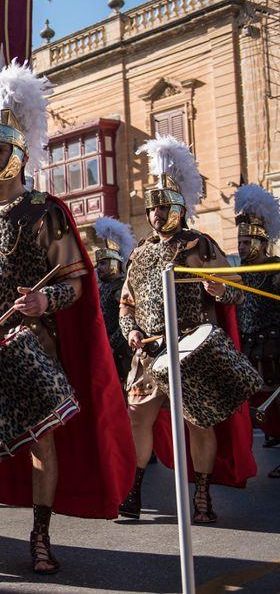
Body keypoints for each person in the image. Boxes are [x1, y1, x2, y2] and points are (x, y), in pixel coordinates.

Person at [0, 63, 134, 576]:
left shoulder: (45, 211)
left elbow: (75, 282)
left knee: (40, 438)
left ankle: (40, 538)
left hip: (31, 343)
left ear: (18, 155)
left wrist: (43, 303)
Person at [118, 135, 256, 523]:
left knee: (198, 420)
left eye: (163, 206)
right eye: (151, 208)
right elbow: (126, 302)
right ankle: (134, 487)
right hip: (148, 351)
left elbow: (235, 294)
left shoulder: (201, 244)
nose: (157, 214)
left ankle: (202, 494)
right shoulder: (141, 251)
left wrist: (220, 289)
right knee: (138, 417)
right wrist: (129, 329)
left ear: (178, 207)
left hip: (192, 349)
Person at [231, 184, 280, 471]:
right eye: (240, 243)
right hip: (249, 343)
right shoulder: (239, 272)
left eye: (247, 243)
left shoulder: (276, 268)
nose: (241, 248)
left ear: (261, 242)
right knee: (259, 398)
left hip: (274, 343)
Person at [93, 217, 136, 388]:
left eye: (103, 263)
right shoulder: (101, 287)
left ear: (114, 264)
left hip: (121, 349)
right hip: (106, 346)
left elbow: (126, 319)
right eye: (98, 264)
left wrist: (112, 344)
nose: (98, 267)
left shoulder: (120, 287)